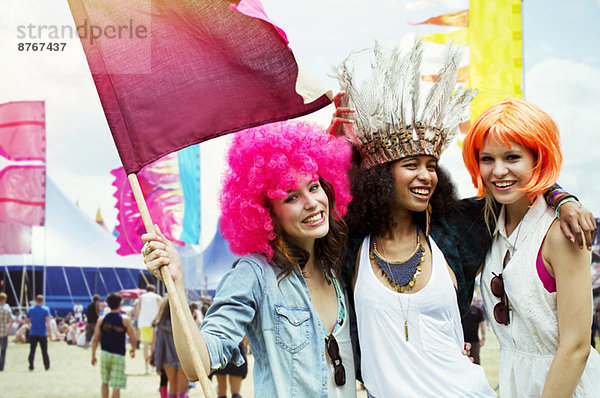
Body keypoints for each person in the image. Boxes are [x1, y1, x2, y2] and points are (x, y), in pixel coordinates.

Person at [142, 120, 356, 397]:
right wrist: (176, 283)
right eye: (291, 197)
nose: (312, 202)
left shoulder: (336, 269)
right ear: (266, 213)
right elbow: (200, 363)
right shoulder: (254, 274)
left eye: (313, 187)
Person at [333, 40, 495, 397]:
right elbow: (302, 209)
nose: (426, 175)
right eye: (411, 165)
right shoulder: (351, 247)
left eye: (431, 165)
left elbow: (517, 190)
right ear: (380, 176)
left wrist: (562, 198)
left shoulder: (454, 230)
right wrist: (337, 149)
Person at [461, 98, 600, 397]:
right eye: (487, 159)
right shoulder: (487, 222)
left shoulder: (562, 232)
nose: (498, 171)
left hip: (565, 386)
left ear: (538, 159)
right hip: (514, 381)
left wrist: (564, 200)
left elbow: (576, 347)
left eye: (512, 158)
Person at [91, 292, 136, 398]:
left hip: (105, 353)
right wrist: (133, 349)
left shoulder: (101, 319)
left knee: (105, 381)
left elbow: (95, 339)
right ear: (120, 304)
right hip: (119, 354)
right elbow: (132, 336)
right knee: (116, 385)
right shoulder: (125, 319)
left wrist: (93, 355)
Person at [152, 297, 189, 398]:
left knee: (172, 388)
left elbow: (159, 346)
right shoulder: (186, 323)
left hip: (168, 360)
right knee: (183, 391)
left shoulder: (160, 325)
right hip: (184, 359)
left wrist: (158, 365)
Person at [136, 285, 161, 373]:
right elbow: (161, 309)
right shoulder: (157, 297)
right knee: (153, 346)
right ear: (154, 290)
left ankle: (146, 367)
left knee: (145, 346)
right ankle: (153, 366)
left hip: (143, 323)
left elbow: (138, 309)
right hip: (154, 324)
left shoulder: (141, 297)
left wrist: (141, 318)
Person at [26, 294, 51, 371]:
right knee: (44, 351)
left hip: (33, 332)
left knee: (32, 350)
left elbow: (28, 321)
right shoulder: (46, 309)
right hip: (42, 333)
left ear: (36, 301)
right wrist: (50, 333)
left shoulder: (31, 309)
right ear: (42, 301)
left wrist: (29, 328)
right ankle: (46, 366)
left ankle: (31, 366)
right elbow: (48, 322)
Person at [461, 296, 486, 365]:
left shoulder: (462, 311)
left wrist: (483, 338)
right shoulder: (461, 311)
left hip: (471, 341)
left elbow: (482, 324)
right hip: (464, 342)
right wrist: (483, 338)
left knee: (474, 361)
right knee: (474, 362)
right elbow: (482, 325)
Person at [0, 292, 14, 371]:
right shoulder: (7, 309)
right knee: (3, 350)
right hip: (4, 331)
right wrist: (8, 329)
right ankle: (1, 367)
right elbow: (11, 320)